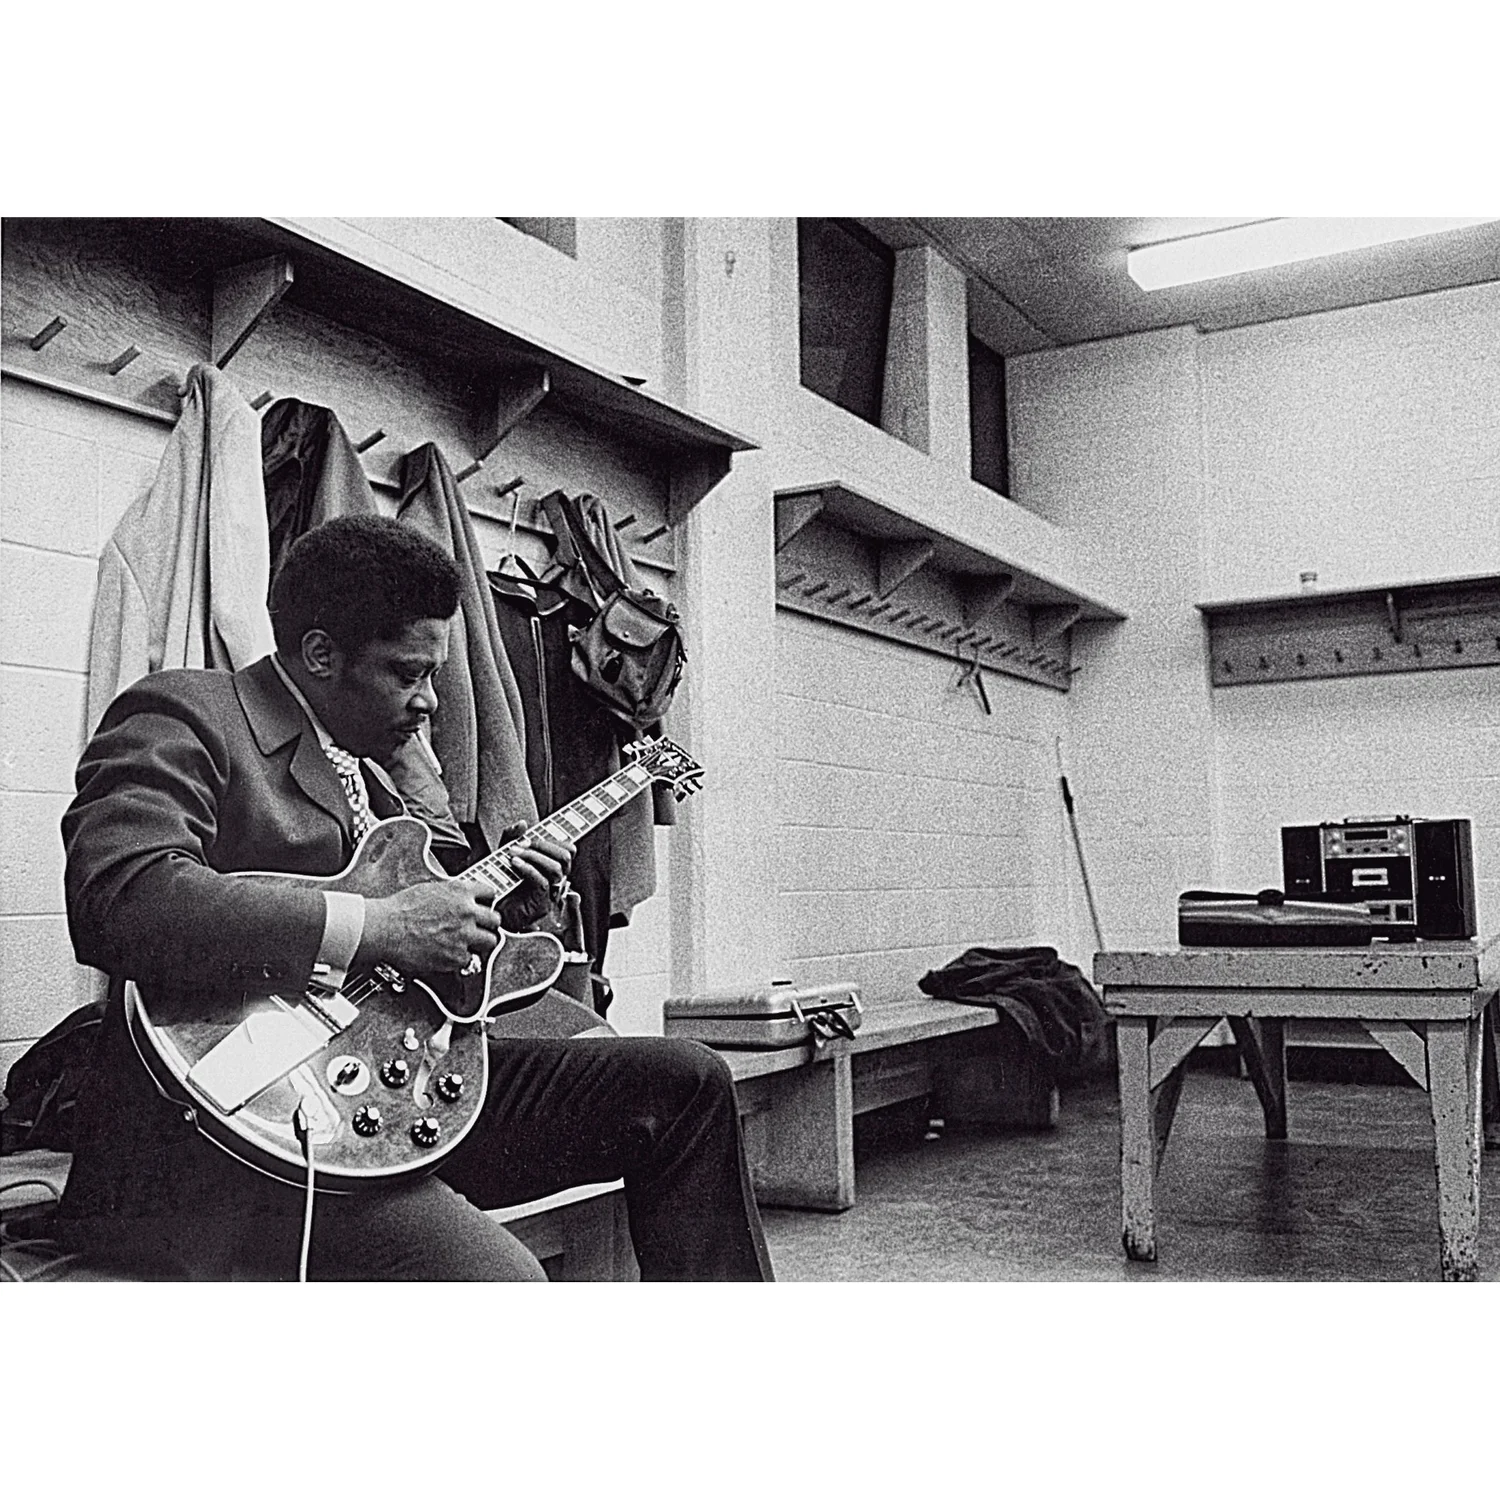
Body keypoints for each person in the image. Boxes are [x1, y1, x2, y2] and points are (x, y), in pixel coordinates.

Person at [58, 514, 772, 1281]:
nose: (431, 702)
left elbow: (406, 978)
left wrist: (492, 926)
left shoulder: (370, 773)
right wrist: (377, 924)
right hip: (231, 1135)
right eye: (409, 673)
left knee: (688, 1083)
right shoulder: (186, 713)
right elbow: (120, 895)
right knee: (507, 1289)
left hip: (389, 1092)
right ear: (322, 654)